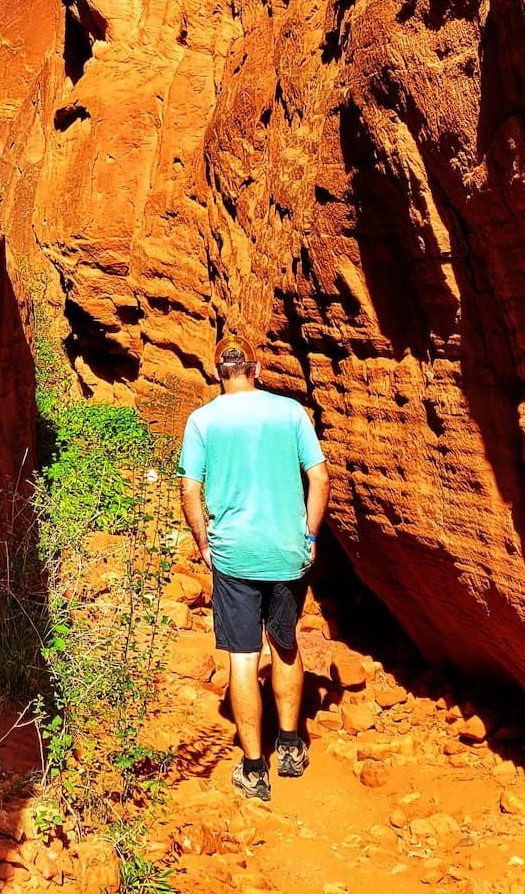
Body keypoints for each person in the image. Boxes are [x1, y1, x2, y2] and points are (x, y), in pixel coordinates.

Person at [179, 338, 330, 803]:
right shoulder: (290, 413)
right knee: (285, 645)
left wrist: (204, 541)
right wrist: (309, 536)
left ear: (217, 373)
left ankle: (252, 768)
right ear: (256, 368)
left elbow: (189, 490)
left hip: (234, 556)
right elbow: (319, 477)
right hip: (286, 552)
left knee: (242, 657)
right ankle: (289, 746)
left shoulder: (202, 420)